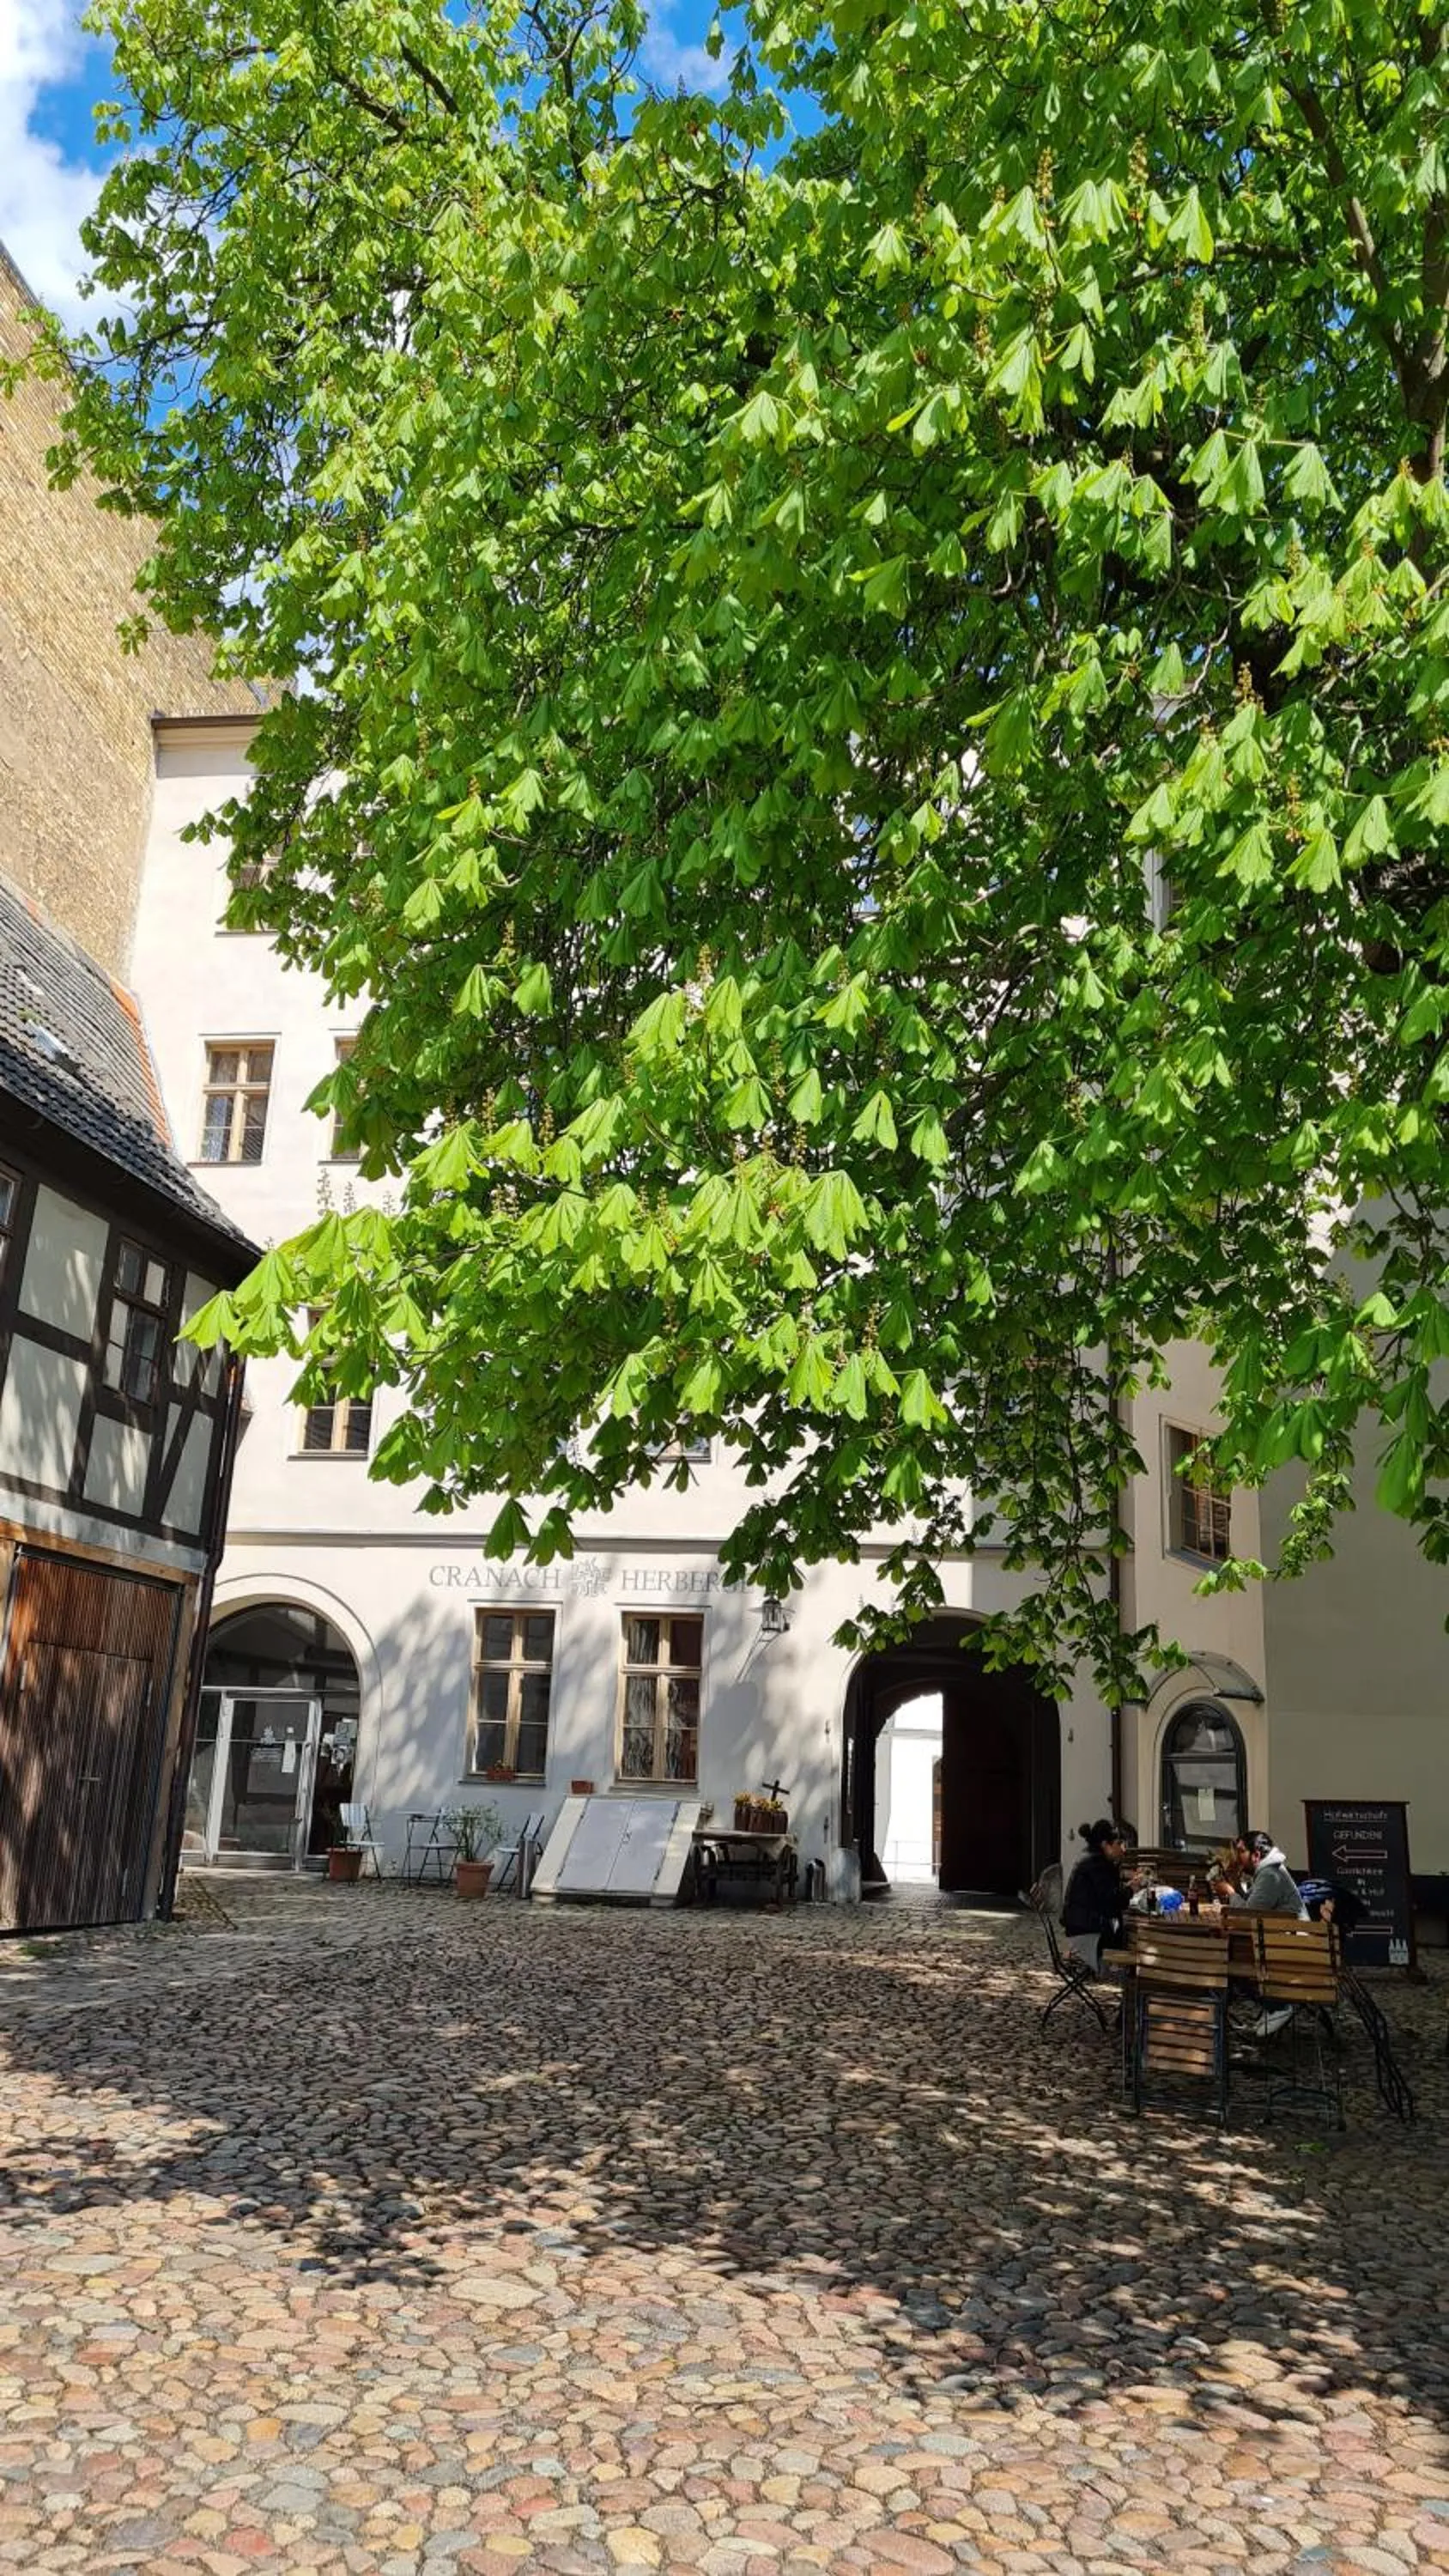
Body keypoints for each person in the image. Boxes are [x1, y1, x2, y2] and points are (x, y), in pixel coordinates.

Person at [1062, 1819, 1129, 1970]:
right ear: (1106, 1845)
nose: (1123, 1849)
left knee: (1122, 1925)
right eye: (1119, 1844)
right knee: (1127, 1930)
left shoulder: (1092, 1858)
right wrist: (1131, 1890)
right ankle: (1123, 1971)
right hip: (1086, 1930)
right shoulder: (1096, 1863)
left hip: (1079, 1924)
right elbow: (1111, 1900)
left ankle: (1121, 1969)